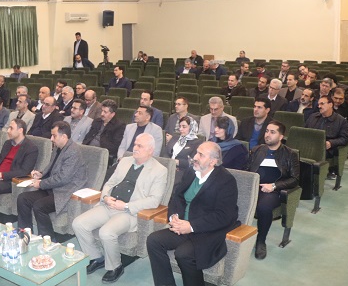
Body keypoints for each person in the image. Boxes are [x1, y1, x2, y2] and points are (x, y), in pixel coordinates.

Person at [73, 133, 168, 283]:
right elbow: (109, 183)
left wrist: (126, 205)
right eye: (135, 144)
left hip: (129, 212)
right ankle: (96, 257)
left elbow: (154, 200)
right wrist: (106, 197)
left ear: (150, 150)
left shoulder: (159, 170)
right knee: (78, 223)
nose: (135, 148)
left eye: (140, 146)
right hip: (109, 205)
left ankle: (115, 267)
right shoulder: (125, 161)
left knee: (106, 232)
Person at [147, 141, 239, 286]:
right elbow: (177, 196)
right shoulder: (191, 172)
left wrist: (191, 226)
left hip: (207, 231)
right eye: (196, 152)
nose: (195, 157)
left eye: (201, 155)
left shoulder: (226, 181)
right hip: (182, 225)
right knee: (153, 240)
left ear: (213, 161)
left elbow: (223, 215)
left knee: (183, 254)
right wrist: (174, 217)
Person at [17, 121, 87, 240]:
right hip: (53, 187)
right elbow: (52, 167)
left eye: (54, 136)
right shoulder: (58, 147)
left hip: (66, 190)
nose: (51, 139)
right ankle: (25, 235)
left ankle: (48, 240)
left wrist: (41, 183)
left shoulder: (73, 151)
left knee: (39, 206)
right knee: (23, 198)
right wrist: (41, 174)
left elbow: (63, 178)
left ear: (63, 136)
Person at [246, 120, 299, 260]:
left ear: (281, 136)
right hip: (253, 187)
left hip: (273, 191)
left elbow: (295, 179)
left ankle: (261, 241)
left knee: (263, 207)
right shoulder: (257, 150)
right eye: (267, 131)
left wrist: (274, 186)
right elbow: (246, 170)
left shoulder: (290, 154)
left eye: (272, 132)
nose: (267, 134)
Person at [306, 95, 348, 180]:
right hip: (310, 144)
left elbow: (345, 138)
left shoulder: (341, 121)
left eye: (322, 104)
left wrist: (331, 143)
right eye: (318, 104)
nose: (319, 106)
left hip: (327, 148)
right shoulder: (313, 117)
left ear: (330, 104)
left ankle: (314, 177)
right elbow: (304, 131)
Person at [83, 99, 126, 164]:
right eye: (102, 111)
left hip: (102, 153)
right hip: (88, 150)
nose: (102, 114)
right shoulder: (97, 121)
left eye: (105, 112)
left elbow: (115, 147)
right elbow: (87, 138)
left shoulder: (119, 126)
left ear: (112, 114)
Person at [162, 116, 202, 185]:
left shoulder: (197, 143)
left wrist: (177, 162)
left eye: (184, 127)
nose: (180, 129)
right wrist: (169, 164)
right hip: (168, 167)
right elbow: (166, 153)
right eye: (180, 126)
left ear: (191, 127)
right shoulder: (175, 137)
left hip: (183, 171)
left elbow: (193, 162)